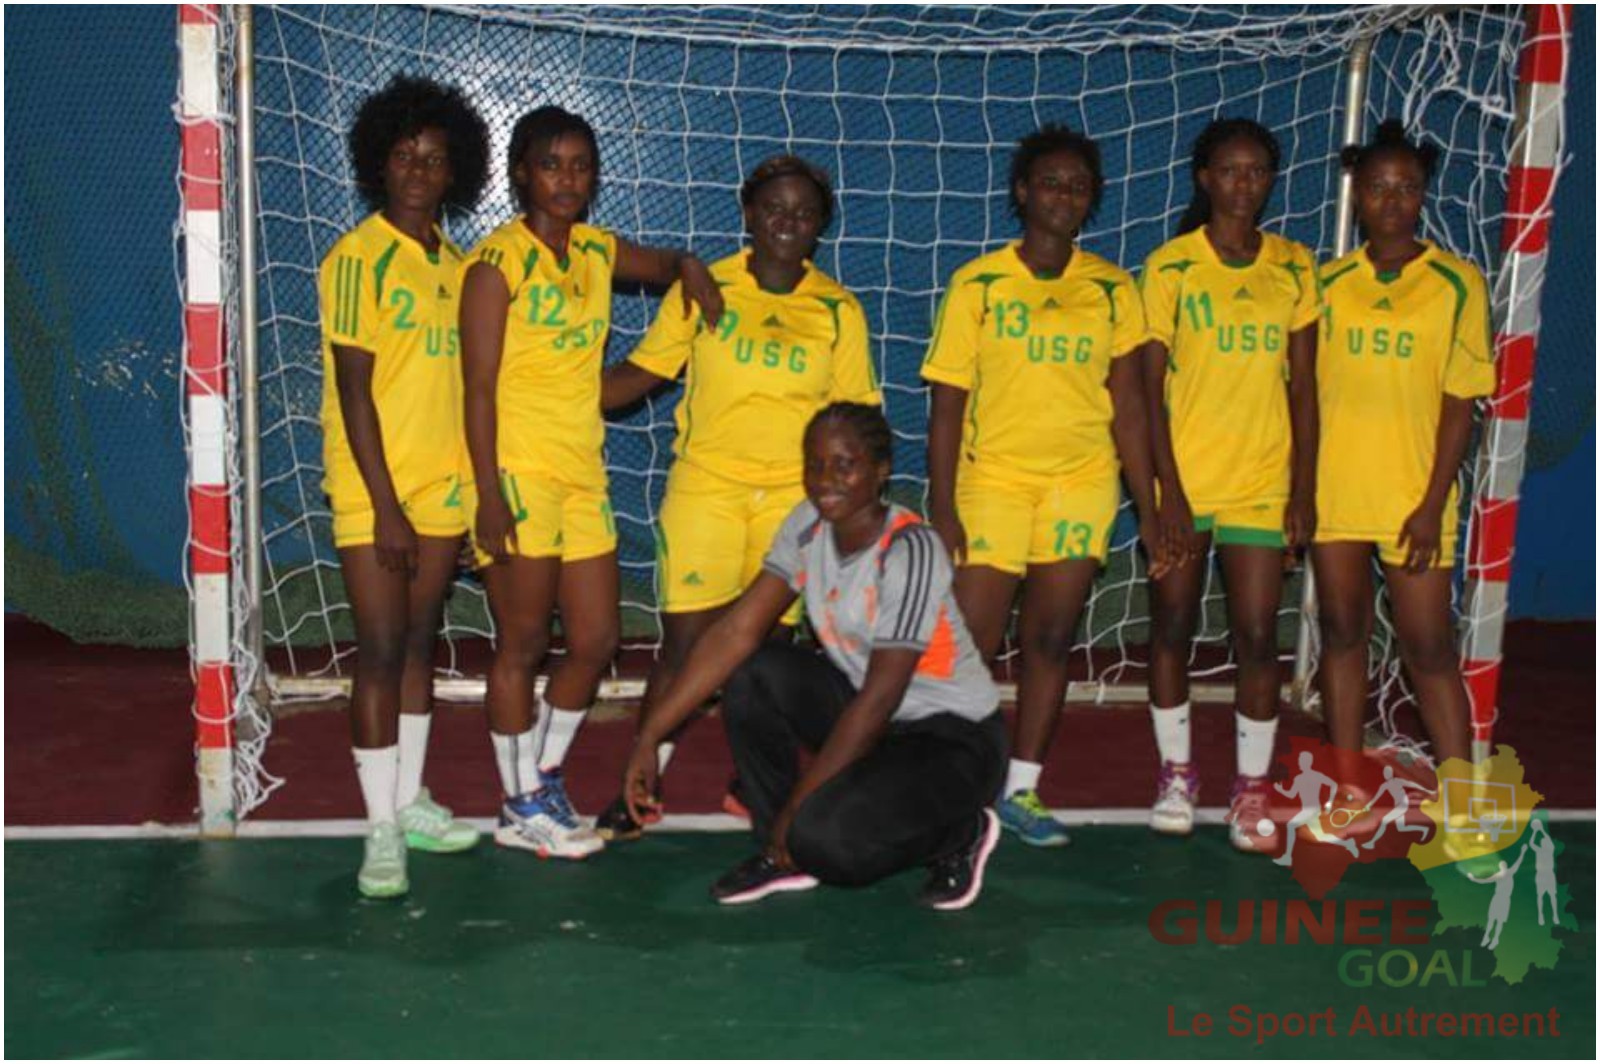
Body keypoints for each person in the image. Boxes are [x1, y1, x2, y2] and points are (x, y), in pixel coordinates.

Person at [592, 155, 882, 841]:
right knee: (685, 647)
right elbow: (641, 373)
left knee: (767, 656)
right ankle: (641, 783)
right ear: (749, 214)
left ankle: (754, 784)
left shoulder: (838, 309)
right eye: (774, 207)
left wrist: (864, 511)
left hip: (793, 502)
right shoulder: (705, 287)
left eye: (804, 212)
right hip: (708, 490)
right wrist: (551, 391)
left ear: (820, 227)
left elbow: (857, 418)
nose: (788, 221)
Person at [459, 106, 723, 858]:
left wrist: (690, 265)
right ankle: (519, 806)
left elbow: (665, 265)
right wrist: (487, 493)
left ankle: (540, 779)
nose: (567, 179)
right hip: (517, 472)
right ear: (521, 173)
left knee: (596, 638)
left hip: (581, 471)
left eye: (580, 165)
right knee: (521, 644)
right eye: (551, 164)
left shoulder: (596, 251)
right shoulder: (496, 265)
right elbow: (477, 388)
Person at [622, 403, 1007, 910]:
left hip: (953, 739)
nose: (826, 480)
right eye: (815, 464)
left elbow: (880, 698)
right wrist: (650, 736)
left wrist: (797, 812)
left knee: (827, 843)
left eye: (845, 464)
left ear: (881, 470)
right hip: (879, 725)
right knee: (755, 672)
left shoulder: (910, 550)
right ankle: (779, 852)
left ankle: (961, 833)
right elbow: (736, 632)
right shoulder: (807, 524)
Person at [921, 125, 1171, 847]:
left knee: (1052, 638)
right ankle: (953, 784)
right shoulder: (979, 284)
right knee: (971, 641)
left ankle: (1021, 789)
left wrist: (1150, 510)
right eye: (1051, 182)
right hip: (993, 481)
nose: (1064, 195)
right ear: (1023, 191)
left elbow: (1130, 407)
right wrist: (943, 506)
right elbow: (947, 406)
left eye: (1079, 186)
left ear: (1092, 199)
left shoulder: (1113, 288)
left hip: (1079, 484)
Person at [317, 75, 490, 898]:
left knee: (422, 644)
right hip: (374, 489)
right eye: (404, 155)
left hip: (443, 487)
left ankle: (411, 801)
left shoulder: (459, 265)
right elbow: (355, 392)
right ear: (377, 163)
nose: (418, 170)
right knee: (381, 651)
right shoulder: (357, 258)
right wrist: (385, 506)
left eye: (434, 158)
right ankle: (379, 829)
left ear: (455, 172)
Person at [1139, 118, 1320, 849]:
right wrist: (1169, 493)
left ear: (1270, 180)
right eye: (1229, 170)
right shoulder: (1171, 267)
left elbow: (1305, 387)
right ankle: (1176, 774)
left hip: (1261, 482)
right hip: (1186, 481)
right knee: (1172, 627)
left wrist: (1303, 490)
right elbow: (1147, 393)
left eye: (1257, 171)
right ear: (1204, 178)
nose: (1243, 184)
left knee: (1257, 635)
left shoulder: (1295, 267)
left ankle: (1251, 788)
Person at [1313, 120, 1495, 770]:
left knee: (1428, 648)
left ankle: (1461, 795)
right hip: (1337, 492)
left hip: (1415, 497)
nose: (1391, 201)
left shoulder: (1457, 283)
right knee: (1342, 635)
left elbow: (1459, 405)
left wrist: (1431, 503)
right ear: (1357, 194)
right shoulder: (1328, 285)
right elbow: (1304, 397)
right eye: (1378, 187)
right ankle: (1346, 785)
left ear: (1423, 195)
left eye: (1407, 187)